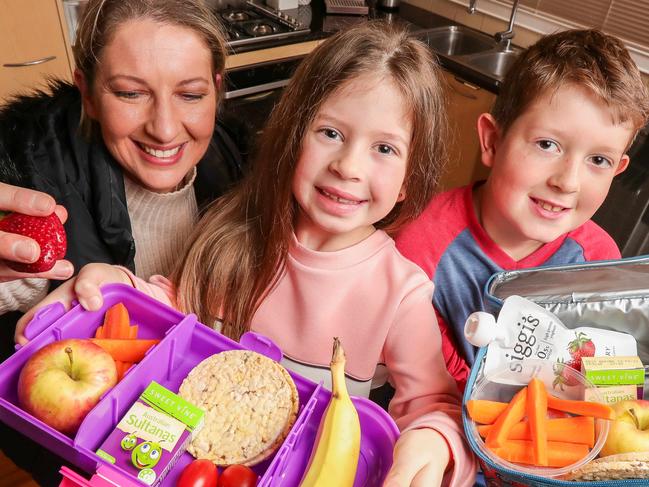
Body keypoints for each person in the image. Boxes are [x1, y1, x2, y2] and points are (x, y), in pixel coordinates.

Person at [19, 21, 478, 487]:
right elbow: (173, 312)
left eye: (384, 148)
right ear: (292, 136)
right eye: (330, 133)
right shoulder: (235, 232)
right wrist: (114, 284)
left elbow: (432, 405)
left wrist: (436, 440)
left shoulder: (400, 294)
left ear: (408, 180)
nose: (349, 166)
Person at [1, 0, 245, 484]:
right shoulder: (29, 184)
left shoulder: (243, 172)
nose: (166, 128)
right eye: (131, 93)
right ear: (87, 93)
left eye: (191, 94)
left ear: (218, 89)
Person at [395, 28, 649, 392]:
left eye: (598, 159)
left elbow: (612, 378)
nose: (569, 181)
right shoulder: (421, 245)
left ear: (618, 170)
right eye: (547, 144)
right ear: (492, 142)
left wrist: (617, 385)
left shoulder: (599, 262)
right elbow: (428, 372)